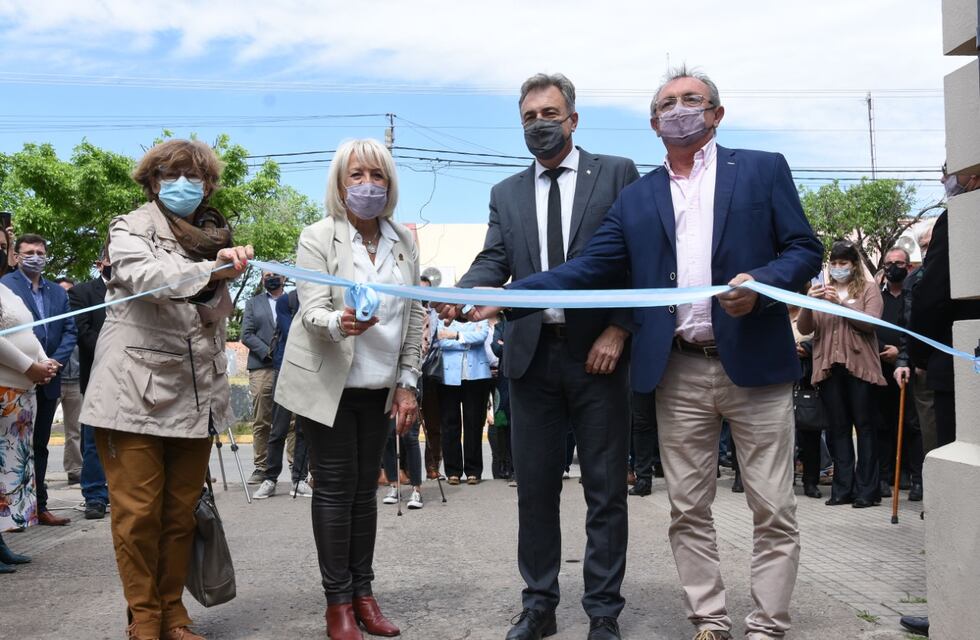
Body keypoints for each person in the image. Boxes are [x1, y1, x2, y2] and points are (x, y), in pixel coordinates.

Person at [474, 67, 823, 640]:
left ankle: (766, 625)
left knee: (773, 509)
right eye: (667, 103)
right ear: (654, 121)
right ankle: (709, 620)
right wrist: (508, 298)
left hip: (753, 365)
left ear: (716, 112)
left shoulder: (762, 170)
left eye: (692, 100)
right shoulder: (640, 197)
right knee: (687, 509)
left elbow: (803, 249)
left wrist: (760, 284)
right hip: (679, 370)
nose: (679, 109)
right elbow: (593, 269)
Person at [437, 72, 639, 640]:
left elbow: (637, 260)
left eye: (549, 114)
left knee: (605, 490)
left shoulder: (618, 173)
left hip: (599, 357)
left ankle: (603, 612)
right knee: (535, 491)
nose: (539, 125)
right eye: (528, 117)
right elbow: (493, 261)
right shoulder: (506, 193)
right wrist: (466, 293)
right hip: (529, 362)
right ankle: (539, 605)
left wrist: (619, 331)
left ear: (573, 119)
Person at [79, 138, 253, 640]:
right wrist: (212, 270)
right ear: (152, 182)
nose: (181, 185)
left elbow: (214, 315)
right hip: (132, 394)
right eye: (169, 176)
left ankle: (174, 611)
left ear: (208, 185)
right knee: (137, 516)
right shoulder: (128, 228)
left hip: (197, 396)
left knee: (181, 514)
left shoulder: (214, 237)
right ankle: (145, 617)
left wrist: (221, 277)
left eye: (193, 177)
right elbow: (147, 278)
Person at [274, 138, 423, 640]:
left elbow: (416, 313)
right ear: (340, 184)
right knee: (336, 494)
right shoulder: (318, 236)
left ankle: (365, 594)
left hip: (380, 386)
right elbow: (311, 306)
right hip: (329, 385)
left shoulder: (404, 239)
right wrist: (340, 322)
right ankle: (338, 602)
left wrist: (407, 384)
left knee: (366, 492)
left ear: (390, 183)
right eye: (356, 176)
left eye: (377, 176)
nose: (367, 185)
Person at [798, 241, 886, 508]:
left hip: (860, 368)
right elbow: (805, 327)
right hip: (829, 368)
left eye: (843, 263)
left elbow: (871, 323)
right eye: (833, 263)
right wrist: (807, 303)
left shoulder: (869, 289)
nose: (837, 268)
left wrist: (843, 305)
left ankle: (867, 491)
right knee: (838, 430)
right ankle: (842, 488)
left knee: (865, 427)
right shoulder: (822, 292)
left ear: (854, 264)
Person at [1, 233, 78, 526]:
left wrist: (51, 363)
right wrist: (30, 365)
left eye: (41, 252)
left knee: (37, 448)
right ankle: (9, 518)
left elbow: (69, 329)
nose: (36, 256)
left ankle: (36, 508)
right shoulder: (8, 286)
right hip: (12, 381)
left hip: (47, 380)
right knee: (8, 454)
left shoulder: (57, 292)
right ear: (16, 256)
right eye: (29, 251)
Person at [910, 165, 980, 448]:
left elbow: (934, 296)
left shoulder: (959, 220)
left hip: (959, 361)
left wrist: (920, 353)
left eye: (951, 170)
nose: (944, 179)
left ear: (975, 175)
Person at [0, 279, 59, 572]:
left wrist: (44, 362)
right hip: (3, 386)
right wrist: (29, 367)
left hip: (22, 394)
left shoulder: (7, 291)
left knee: (7, 472)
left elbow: (27, 332)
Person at [252, 288, 312, 499]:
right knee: (278, 427)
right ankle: (270, 479)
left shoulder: (319, 297)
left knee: (304, 429)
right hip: (285, 369)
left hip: (309, 370)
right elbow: (292, 332)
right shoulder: (286, 301)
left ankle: (300, 479)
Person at [875, 247, 923, 501]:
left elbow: (916, 330)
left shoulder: (914, 294)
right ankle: (884, 477)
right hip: (880, 370)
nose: (893, 267)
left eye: (899, 262)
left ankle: (916, 479)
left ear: (909, 266)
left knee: (912, 425)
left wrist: (901, 354)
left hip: (907, 369)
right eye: (889, 262)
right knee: (882, 424)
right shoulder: (876, 297)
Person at [66, 251, 112, 519]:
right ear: (100, 263)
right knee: (93, 440)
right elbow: (83, 333)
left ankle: (121, 492)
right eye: (111, 258)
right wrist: (117, 350)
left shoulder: (135, 292)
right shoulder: (82, 294)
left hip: (133, 378)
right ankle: (95, 496)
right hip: (97, 375)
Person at [241, 270, 288, 484]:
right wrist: (269, 351)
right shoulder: (253, 303)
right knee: (262, 419)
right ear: (262, 278)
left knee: (294, 420)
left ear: (284, 278)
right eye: (267, 274)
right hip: (262, 367)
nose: (271, 278)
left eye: (276, 274)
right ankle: (261, 467)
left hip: (290, 366)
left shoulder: (293, 300)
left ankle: (297, 470)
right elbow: (246, 334)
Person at [894, 220, 937, 454]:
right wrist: (904, 361)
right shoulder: (913, 280)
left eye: (931, 244)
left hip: (961, 364)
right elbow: (907, 326)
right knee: (930, 433)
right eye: (923, 245)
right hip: (925, 369)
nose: (926, 249)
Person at [437, 317, 492, 485]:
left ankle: (473, 470)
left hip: (477, 376)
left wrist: (454, 335)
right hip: (448, 377)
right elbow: (441, 342)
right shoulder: (443, 317)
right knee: (449, 423)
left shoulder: (478, 315)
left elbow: (481, 337)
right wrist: (466, 339)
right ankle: (453, 471)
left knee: (474, 423)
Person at [55, 277, 83, 485]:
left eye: (69, 291)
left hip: (76, 381)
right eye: (61, 291)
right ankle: (35, 474)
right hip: (53, 379)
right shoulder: (49, 317)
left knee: (75, 430)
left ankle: (75, 470)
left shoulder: (79, 315)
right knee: (39, 429)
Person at [418, 275, 444, 479]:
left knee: (434, 422)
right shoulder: (407, 311)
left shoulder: (437, 313)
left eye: (426, 290)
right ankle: (405, 469)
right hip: (410, 370)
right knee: (407, 426)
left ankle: (433, 465)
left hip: (431, 371)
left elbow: (443, 337)